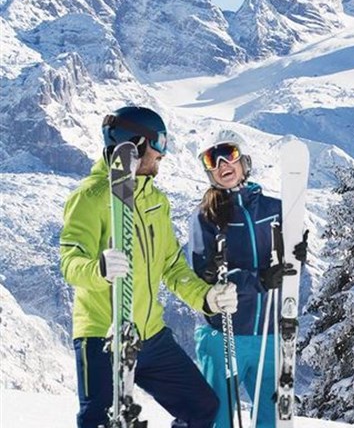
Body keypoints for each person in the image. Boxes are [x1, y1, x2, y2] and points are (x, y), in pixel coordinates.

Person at [60, 106, 237, 428]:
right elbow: (70, 261)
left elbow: (171, 265)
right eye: (159, 147)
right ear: (135, 145)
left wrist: (206, 298)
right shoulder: (91, 198)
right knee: (101, 422)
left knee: (202, 407)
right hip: (103, 336)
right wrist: (98, 270)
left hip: (150, 335)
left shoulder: (156, 200)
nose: (162, 156)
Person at [189, 131, 307, 428]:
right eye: (210, 159)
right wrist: (257, 280)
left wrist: (298, 255)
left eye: (227, 153)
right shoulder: (206, 217)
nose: (220, 163)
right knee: (218, 420)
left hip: (269, 335)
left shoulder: (274, 209)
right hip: (224, 334)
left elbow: (287, 270)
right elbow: (205, 274)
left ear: (244, 160)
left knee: (271, 421)